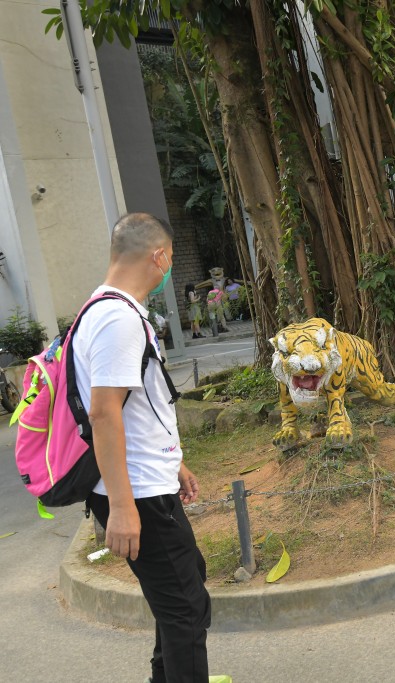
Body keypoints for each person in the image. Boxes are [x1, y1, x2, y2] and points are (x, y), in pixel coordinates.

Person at [79, 213, 217, 683]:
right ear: (159, 256)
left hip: (148, 483)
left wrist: (174, 462)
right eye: (170, 260)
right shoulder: (118, 319)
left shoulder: (104, 309)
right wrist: (121, 506)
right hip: (137, 495)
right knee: (186, 614)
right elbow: (103, 413)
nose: (167, 269)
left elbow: (138, 407)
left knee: (185, 588)